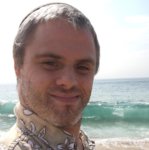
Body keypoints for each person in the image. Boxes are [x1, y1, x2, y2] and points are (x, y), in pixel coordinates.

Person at [0, 2, 100, 150]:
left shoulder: (82, 143)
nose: (68, 81)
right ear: (18, 66)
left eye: (83, 67)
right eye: (50, 63)